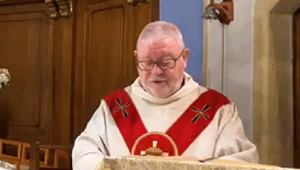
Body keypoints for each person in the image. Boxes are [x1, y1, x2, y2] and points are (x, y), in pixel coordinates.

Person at [72, 21, 259, 170]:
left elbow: (242, 162)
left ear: (184, 58)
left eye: (165, 61)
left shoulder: (217, 109)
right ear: (136, 58)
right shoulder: (114, 108)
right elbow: (84, 154)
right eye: (146, 62)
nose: (156, 71)